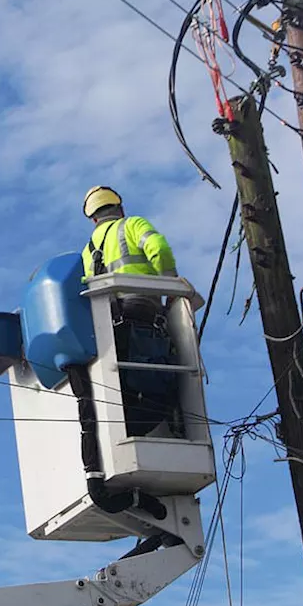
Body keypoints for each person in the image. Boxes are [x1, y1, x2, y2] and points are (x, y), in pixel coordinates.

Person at [79, 185, 184, 438]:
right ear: (121, 208)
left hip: (109, 326)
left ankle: (125, 433)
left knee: (125, 387)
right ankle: (171, 421)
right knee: (160, 384)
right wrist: (171, 285)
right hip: (142, 312)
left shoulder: (88, 250)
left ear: (94, 219)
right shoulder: (132, 225)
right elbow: (159, 249)